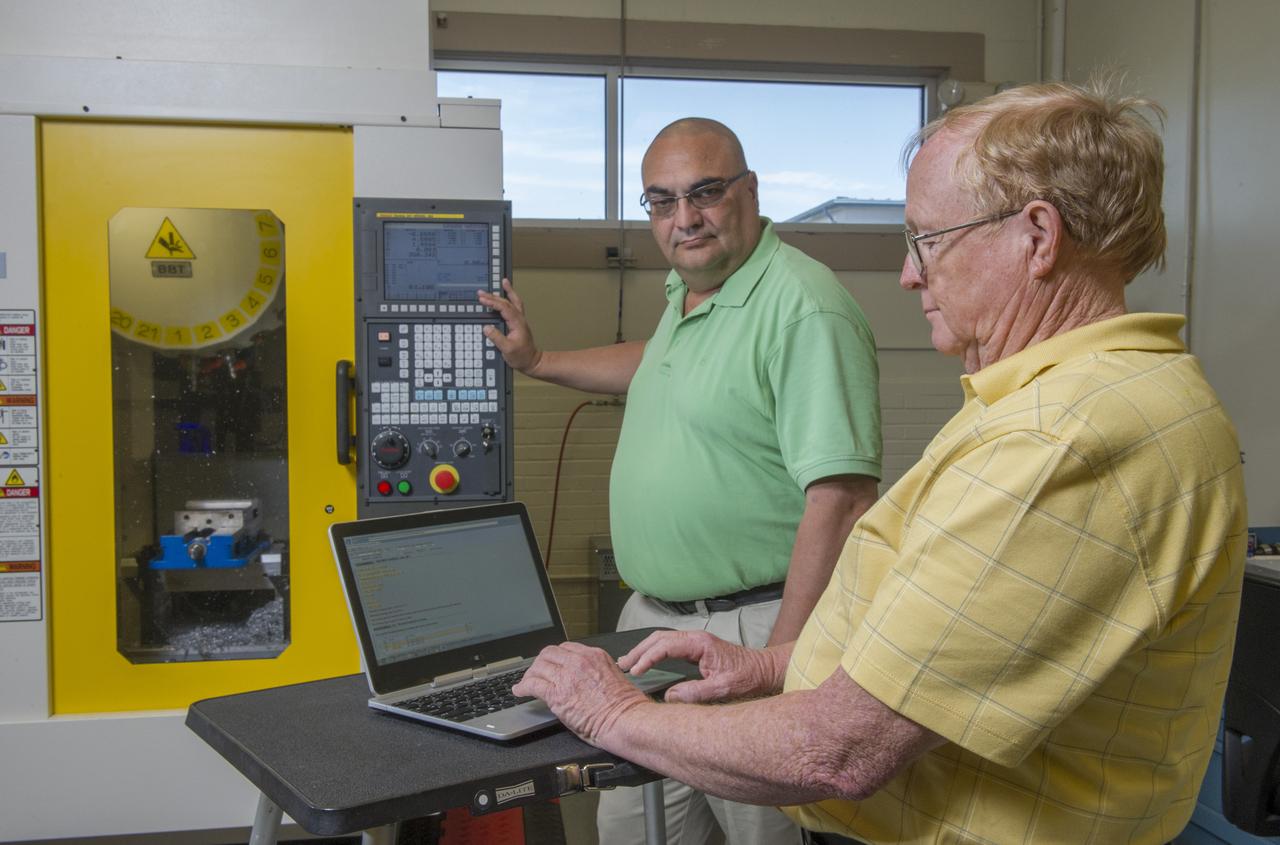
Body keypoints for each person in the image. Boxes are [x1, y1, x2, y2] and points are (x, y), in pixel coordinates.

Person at [512, 81, 1248, 845]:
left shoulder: (1066, 442)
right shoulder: (1085, 398)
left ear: (1037, 236)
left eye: (926, 238)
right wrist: (770, 667)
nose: (907, 273)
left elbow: (837, 747)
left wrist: (612, 711)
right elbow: (950, 645)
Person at [479, 118, 882, 844]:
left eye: (705, 193)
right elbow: (657, 359)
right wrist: (538, 361)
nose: (684, 218)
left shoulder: (802, 308)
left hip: (752, 627)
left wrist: (774, 664)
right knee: (639, 827)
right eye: (662, 202)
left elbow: (845, 499)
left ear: (750, 192)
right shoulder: (693, 295)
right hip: (655, 629)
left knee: (765, 829)